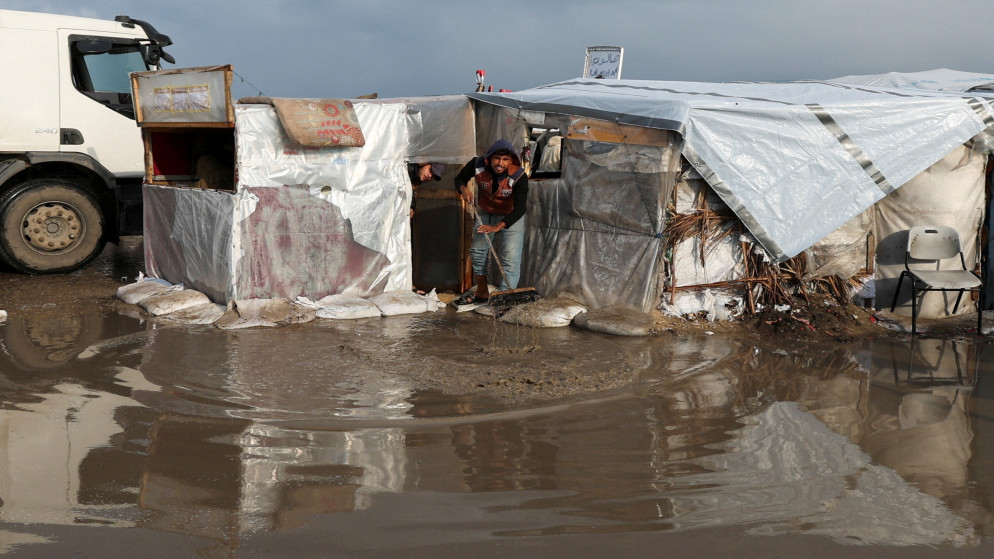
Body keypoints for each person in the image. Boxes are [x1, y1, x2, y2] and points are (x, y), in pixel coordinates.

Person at [453, 139, 528, 304]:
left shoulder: (519, 176)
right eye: (497, 159)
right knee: (478, 252)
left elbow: (520, 209)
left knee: (510, 257)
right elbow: (459, 179)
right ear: (489, 158)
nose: (500, 163)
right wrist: (464, 189)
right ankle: (481, 292)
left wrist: (498, 226)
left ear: (511, 161)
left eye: (505, 160)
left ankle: (504, 298)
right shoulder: (477, 164)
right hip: (486, 212)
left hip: (510, 217)